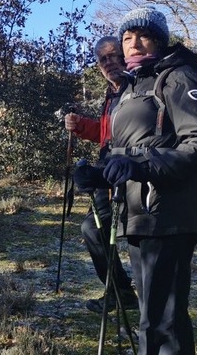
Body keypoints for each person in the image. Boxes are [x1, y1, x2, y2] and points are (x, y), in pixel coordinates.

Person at [101, 6, 197, 354]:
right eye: (126, 37)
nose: (133, 43)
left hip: (169, 213)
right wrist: (99, 172)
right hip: (140, 214)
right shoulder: (134, 85)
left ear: (159, 40)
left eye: (143, 35)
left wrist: (142, 168)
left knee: (163, 319)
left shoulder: (178, 77)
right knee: (150, 314)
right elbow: (128, 148)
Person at [64, 36, 139, 314]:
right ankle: (121, 292)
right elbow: (107, 135)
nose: (109, 62)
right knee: (94, 229)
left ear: (126, 55)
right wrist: (81, 125)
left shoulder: (135, 89)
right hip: (109, 171)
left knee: (106, 230)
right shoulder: (112, 93)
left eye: (113, 55)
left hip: (130, 173)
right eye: (102, 59)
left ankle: (127, 293)